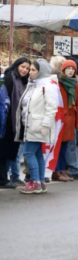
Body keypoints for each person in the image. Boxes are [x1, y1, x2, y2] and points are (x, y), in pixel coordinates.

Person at [15, 59, 59, 194]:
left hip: (38, 126)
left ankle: (34, 182)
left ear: (41, 72)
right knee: (37, 153)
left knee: (28, 153)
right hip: (31, 125)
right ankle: (40, 181)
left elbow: (52, 108)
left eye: (33, 70)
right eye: (30, 69)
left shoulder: (47, 86)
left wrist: (45, 125)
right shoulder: (34, 84)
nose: (30, 72)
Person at [0, 57, 30, 189]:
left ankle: (4, 178)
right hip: (6, 121)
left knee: (8, 152)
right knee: (3, 152)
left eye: (27, 68)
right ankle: (2, 180)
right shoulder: (9, 79)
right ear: (16, 66)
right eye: (22, 67)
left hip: (15, 124)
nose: (24, 70)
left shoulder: (23, 82)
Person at [53, 60, 78, 182]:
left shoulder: (75, 84)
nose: (70, 71)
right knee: (59, 147)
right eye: (68, 69)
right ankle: (57, 171)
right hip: (60, 119)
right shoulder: (57, 83)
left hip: (70, 120)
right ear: (63, 70)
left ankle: (62, 170)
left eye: (72, 69)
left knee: (66, 147)